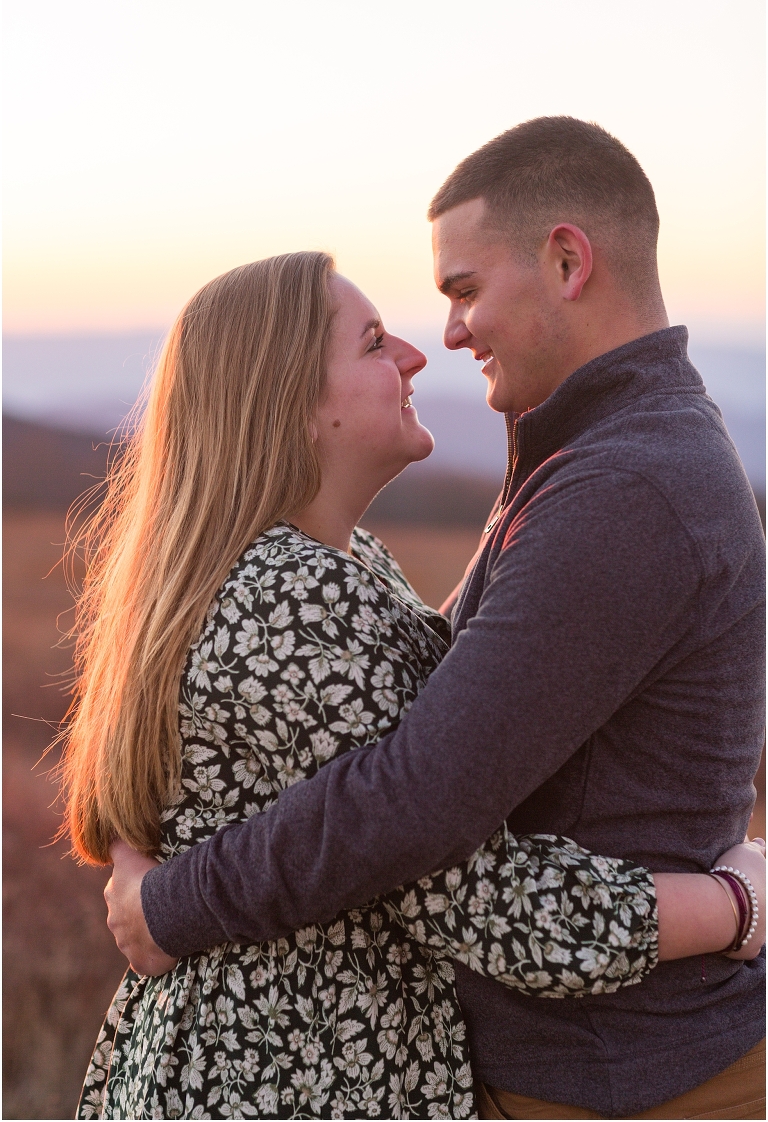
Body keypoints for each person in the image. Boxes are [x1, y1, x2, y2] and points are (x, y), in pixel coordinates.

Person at [104, 118, 766, 1119]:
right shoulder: (569, 468)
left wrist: (171, 902)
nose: (439, 338)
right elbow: (429, 803)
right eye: (378, 339)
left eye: (462, 289)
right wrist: (734, 904)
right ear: (286, 400)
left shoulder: (618, 482)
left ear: (567, 260)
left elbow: (416, 799)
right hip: (319, 1073)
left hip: (614, 1071)